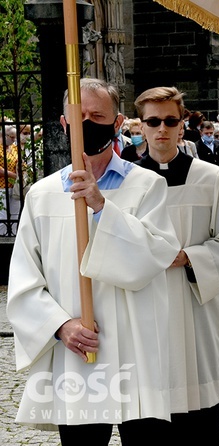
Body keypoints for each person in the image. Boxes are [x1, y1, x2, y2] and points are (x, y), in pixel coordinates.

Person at [6, 78, 181, 444]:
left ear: (117, 124)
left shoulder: (148, 186)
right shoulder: (42, 195)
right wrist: (60, 325)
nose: (87, 123)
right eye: (78, 115)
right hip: (80, 351)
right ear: (63, 123)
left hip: (136, 348)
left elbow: (156, 255)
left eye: (97, 115)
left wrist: (102, 207)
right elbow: (24, 277)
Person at [134, 86, 219, 444]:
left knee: (197, 423)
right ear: (140, 127)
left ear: (183, 124)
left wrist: (189, 257)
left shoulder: (211, 178)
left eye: (171, 120)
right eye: (153, 121)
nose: (162, 130)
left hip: (194, 313)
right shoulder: (126, 182)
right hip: (144, 313)